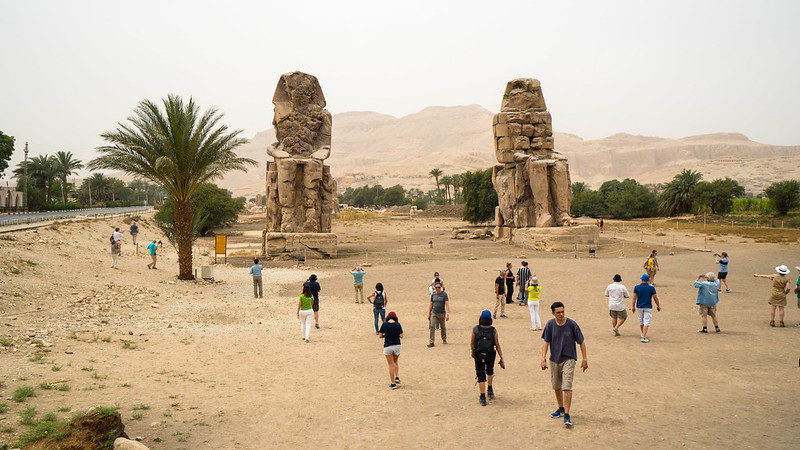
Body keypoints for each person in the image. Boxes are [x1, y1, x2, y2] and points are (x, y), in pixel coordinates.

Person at [541, 301, 587, 427]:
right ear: (553, 313)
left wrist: (585, 360)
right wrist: (543, 358)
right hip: (554, 359)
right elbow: (546, 341)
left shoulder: (572, 324)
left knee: (566, 386)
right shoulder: (550, 325)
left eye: (562, 311)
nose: (561, 314)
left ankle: (567, 414)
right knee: (556, 386)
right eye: (558, 312)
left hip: (569, 359)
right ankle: (560, 408)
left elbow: (581, 342)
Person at [471, 310, 505, 406]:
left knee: (480, 374)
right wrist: (501, 357)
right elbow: (497, 345)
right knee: (490, 370)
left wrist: (472, 351)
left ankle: (482, 397)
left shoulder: (475, 329)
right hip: (490, 354)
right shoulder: (493, 330)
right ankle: (489, 388)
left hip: (478, 354)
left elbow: (472, 342)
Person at [632, 274, 661, 343]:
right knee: (646, 322)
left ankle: (643, 334)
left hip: (639, 306)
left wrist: (633, 306)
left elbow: (634, 298)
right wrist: (658, 305)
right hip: (648, 306)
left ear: (641, 280)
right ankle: (644, 337)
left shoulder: (637, 287)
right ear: (648, 280)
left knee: (641, 321)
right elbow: (655, 298)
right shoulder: (651, 288)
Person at [379, 311, 403, 390]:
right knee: (395, 362)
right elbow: (401, 336)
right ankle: (397, 376)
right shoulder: (397, 325)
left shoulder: (385, 325)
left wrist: (385, 335)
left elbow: (380, 335)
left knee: (390, 364)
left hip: (388, 346)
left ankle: (392, 383)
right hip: (397, 346)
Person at [427, 283, 449, 347]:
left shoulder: (444, 294)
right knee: (432, 326)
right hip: (434, 313)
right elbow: (431, 304)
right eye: (436, 287)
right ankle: (431, 341)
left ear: (441, 287)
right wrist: (429, 313)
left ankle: (444, 338)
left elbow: (447, 304)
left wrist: (447, 313)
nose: (437, 289)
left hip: (441, 313)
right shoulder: (433, 295)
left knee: (443, 326)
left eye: (439, 287)